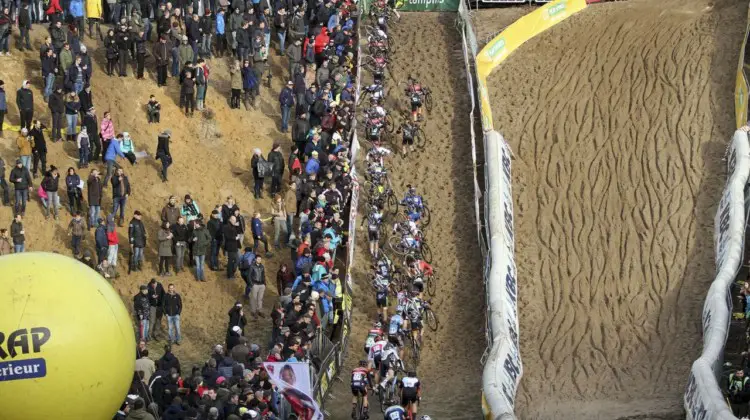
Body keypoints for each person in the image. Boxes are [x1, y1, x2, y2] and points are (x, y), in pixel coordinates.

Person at [223, 215, 241, 279]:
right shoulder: (226, 226)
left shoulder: (233, 226)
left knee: (237, 260)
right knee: (231, 261)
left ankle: (232, 272)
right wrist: (235, 238)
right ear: (230, 219)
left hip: (235, 246)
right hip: (230, 246)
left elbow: (236, 232)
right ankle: (230, 275)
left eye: (235, 220)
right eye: (233, 220)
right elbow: (227, 236)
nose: (234, 221)